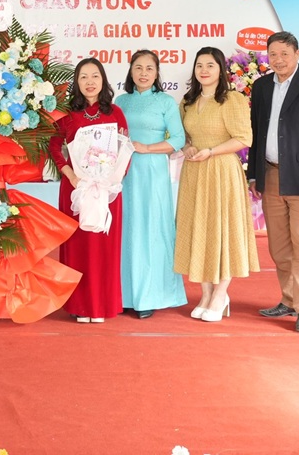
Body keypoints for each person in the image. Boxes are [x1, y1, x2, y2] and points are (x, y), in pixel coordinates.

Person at [249, 31, 299, 334]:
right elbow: (257, 133)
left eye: (284, 53)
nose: (278, 60)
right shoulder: (261, 87)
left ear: (297, 54)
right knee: (280, 246)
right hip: (270, 175)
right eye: (273, 54)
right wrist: (254, 174)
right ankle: (289, 299)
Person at [174, 46, 260, 323]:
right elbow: (182, 136)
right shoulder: (187, 101)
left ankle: (221, 293)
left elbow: (244, 138)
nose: (204, 70)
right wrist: (187, 147)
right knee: (198, 228)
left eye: (210, 65)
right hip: (194, 172)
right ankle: (206, 293)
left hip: (222, 171)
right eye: (199, 65)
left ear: (221, 69)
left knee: (223, 230)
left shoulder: (232, 99)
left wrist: (211, 151)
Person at [50, 57, 128, 323]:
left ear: (103, 79)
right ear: (77, 82)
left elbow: (124, 149)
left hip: (107, 191)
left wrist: (113, 179)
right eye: (83, 77)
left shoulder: (115, 112)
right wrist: (70, 174)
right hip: (76, 188)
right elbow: (53, 147)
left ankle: (102, 306)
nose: (90, 82)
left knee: (104, 248)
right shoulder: (66, 113)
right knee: (78, 246)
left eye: (95, 76)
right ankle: (79, 306)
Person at [115, 50, 187, 318]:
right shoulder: (121, 101)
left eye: (149, 68)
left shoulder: (165, 101)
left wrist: (147, 148)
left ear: (157, 73)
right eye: (138, 68)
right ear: (130, 71)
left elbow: (178, 139)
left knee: (151, 229)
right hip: (123, 172)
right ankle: (125, 294)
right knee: (127, 229)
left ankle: (150, 296)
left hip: (153, 171)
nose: (143, 73)